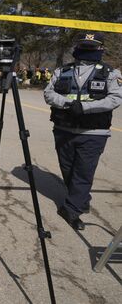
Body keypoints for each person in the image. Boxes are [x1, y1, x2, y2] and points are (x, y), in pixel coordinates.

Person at [44, 32, 122, 231]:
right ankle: (80, 198)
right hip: (63, 129)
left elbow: (115, 98)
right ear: (77, 47)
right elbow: (49, 93)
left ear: (101, 49)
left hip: (94, 133)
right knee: (68, 169)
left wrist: (85, 107)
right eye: (84, 45)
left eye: (92, 46)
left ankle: (72, 210)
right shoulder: (63, 71)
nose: (87, 49)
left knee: (83, 172)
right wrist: (68, 104)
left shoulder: (111, 73)